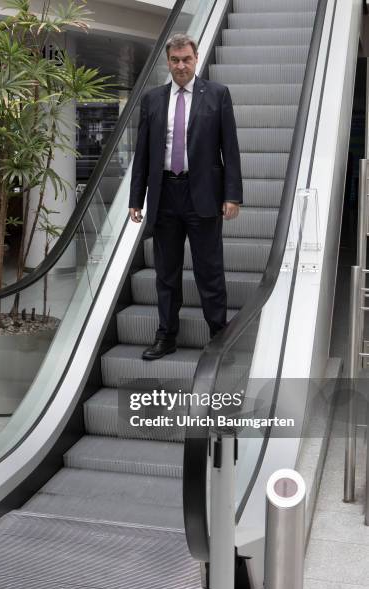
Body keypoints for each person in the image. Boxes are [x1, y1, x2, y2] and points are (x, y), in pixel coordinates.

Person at [129, 33, 242, 360]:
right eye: (175, 60)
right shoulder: (152, 100)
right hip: (164, 195)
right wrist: (137, 198)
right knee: (166, 272)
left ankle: (218, 336)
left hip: (203, 195)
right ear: (168, 61)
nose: (181, 65)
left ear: (196, 59)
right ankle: (166, 336)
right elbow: (143, 154)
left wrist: (232, 195)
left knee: (209, 269)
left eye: (186, 59)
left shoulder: (218, 95)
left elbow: (230, 150)